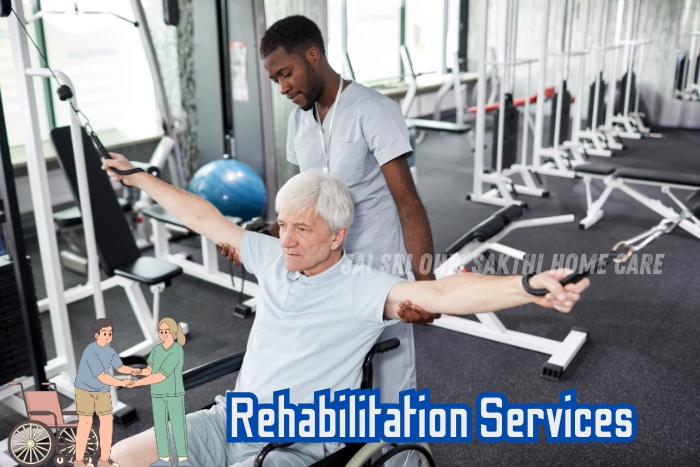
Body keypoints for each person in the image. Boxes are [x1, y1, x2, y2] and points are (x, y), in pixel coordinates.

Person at [105, 156, 589, 467]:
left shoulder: (363, 288)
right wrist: (139, 176)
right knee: (116, 458)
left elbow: (445, 295)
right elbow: (203, 217)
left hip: (296, 447)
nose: (286, 239)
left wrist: (527, 286)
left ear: (337, 236)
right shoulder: (272, 255)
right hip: (232, 420)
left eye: (302, 230)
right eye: (283, 224)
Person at [257, 15, 437, 403]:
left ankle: (404, 463)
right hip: (324, 276)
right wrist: (272, 231)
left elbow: (409, 204)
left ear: (313, 55)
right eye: (276, 81)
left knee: (391, 386)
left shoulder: (373, 110)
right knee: (334, 382)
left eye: (286, 74)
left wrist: (427, 286)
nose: (283, 87)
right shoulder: (297, 123)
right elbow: (305, 203)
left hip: (378, 271)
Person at [73, 318, 141, 467]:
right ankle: (79, 460)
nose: (108, 335)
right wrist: (123, 382)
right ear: (97, 335)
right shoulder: (91, 351)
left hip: (102, 390)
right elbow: (103, 377)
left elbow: (121, 368)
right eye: (104, 333)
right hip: (85, 389)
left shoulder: (109, 351)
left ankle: (104, 460)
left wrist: (137, 370)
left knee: (106, 423)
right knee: (85, 422)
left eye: (110, 333)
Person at [127, 318, 192, 467]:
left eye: (166, 332)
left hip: (173, 393)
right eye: (161, 332)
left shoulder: (176, 351)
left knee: (177, 425)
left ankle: (182, 459)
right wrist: (132, 372)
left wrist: (137, 382)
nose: (163, 334)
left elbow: (161, 375)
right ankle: (164, 458)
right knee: (160, 428)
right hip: (157, 394)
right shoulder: (156, 350)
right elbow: (149, 369)